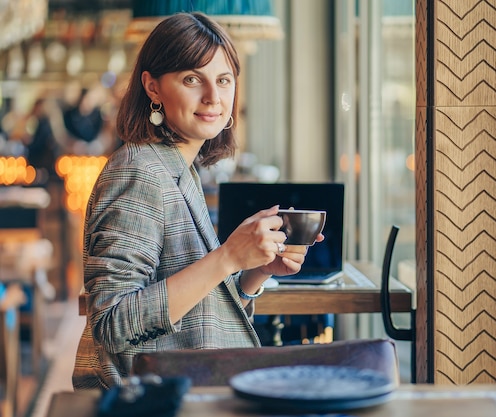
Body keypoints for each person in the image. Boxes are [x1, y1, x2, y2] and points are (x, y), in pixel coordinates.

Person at [72, 12, 322, 390]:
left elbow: (196, 310)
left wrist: (256, 272)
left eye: (223, 80)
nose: (213, 97)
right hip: (152, 402)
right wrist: (227, 257)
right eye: (192, 79)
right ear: (152, 88)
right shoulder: (139, 171)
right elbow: (113, 323)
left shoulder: (180, 168)